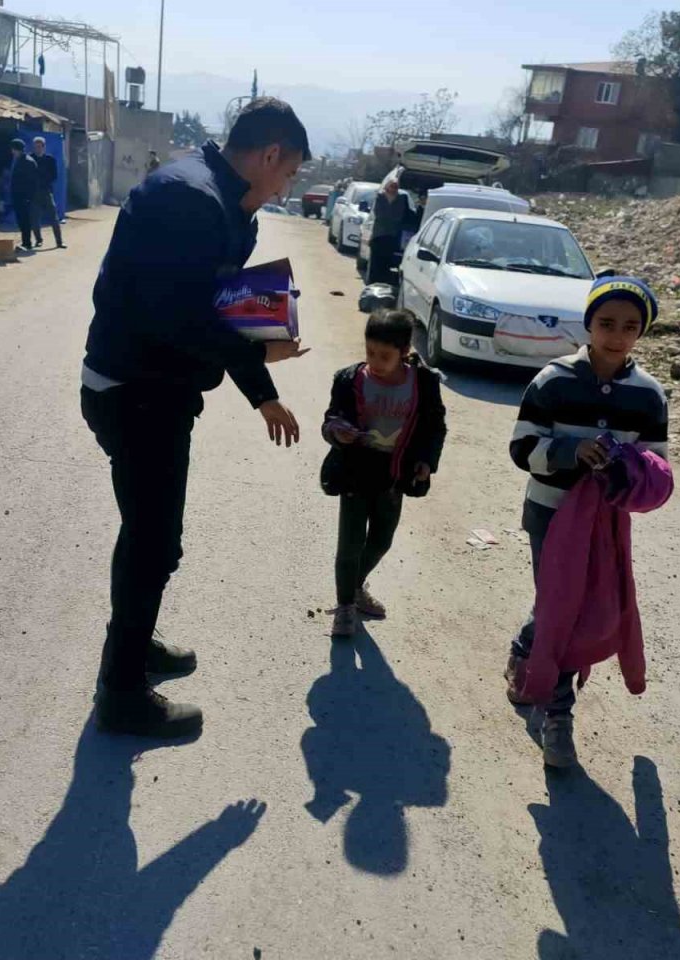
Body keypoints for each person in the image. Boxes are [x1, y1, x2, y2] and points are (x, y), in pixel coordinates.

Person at [80, 97, 311, 738]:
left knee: (152, 540)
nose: (286, 185)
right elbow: (175, 322)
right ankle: (121, 693)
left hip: (158, 391)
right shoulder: (190, 200)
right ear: (269, 156)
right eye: (289, 172)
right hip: (134, 391)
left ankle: (135, 640)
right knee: (153, 543)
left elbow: (223, 312)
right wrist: (263, 351)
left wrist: (261, 389)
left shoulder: (229, 208)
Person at [507, 277, 668, 767]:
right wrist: (570, 451)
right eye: (606, 324)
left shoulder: (648, 394)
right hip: (550, 514)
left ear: (640, 332)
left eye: (629, 326)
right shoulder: (553, 380)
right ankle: (558, 718)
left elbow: (657, 465)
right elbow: (521, 447)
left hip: (605, 524)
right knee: (563, 606)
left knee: (569, 604)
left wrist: (626, 467)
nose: (617, 335)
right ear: (588, 324)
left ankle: (524, 649)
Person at [320, 309, 447, 638]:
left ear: (405, 352)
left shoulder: (424, 383)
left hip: (394, 476)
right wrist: (338, 430)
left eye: (385, 356)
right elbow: (331, 418)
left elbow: (435, 427)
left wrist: (426, 462)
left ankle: (355, 584)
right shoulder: (349, 379)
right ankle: (345, 606)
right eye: (370, 352)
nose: (375, 361)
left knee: (380, 540)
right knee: (349, 543)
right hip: (354, 472)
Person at [367, 179, 409, 284]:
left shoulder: (401, 199)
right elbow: (379, 215)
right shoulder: (380, 197)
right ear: (387, 187)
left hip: (392, 236)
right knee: (375, 261)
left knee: (386, 262)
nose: (393, 189)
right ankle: (372, 283)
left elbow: (398, 216)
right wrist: (389, 218)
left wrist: (389, 218)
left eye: (396, 186)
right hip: (378, 235)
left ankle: (382, 283)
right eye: (392, 186)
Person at [30, 137, 65, 249]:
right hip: (34, 193)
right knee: (35, 218)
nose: (37, 149)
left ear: (44, 147)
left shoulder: (50, 160)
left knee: (53, 218)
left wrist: (42, 180)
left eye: (40, 146)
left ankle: (59, 242)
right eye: (36, 147)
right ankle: (38, 240)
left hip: (46, 191)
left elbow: (54, 176)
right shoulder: (30, 159)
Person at [8, 138, 40, 251]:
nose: (12, 152)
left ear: (16, 149)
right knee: (22, 220)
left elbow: (32, 182)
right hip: (19, 196)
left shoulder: (27, 162)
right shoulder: (20, 160)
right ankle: (26, 242)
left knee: (24, 220)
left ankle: (27, 243)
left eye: (13, 149)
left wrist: (28, 197)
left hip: (24, 197)